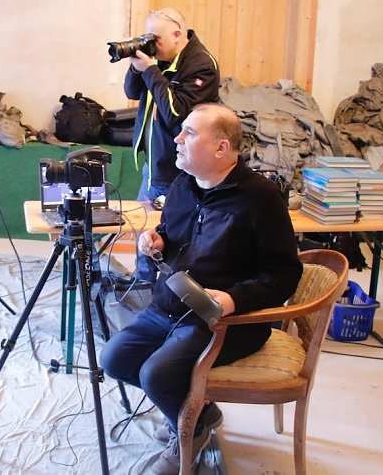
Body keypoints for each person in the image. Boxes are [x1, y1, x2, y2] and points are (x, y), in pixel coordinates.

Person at [100, 103, 302, 474]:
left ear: (221, 148)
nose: (176, 138)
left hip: (226, 322)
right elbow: (178, 234)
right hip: (170, 307)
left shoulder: (261, 198)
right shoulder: (183, 184)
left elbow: (285, 273)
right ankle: (199, 413)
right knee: (114, 360)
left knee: (156, 374)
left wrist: (233, 300)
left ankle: (188, 435)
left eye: (189, 133)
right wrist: (158, 239)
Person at [123, 7, 220, 286]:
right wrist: (136, 63)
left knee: (171, 237)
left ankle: (169, 294)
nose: (152, 44)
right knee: (144, 233)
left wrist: (151, 70)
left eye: (156, 38)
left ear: (178, 34)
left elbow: (176, 113)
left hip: (179, 168)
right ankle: (142, 287)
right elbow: (132, 92)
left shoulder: (201, 65)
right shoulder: (161, 58)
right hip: (154, 165)